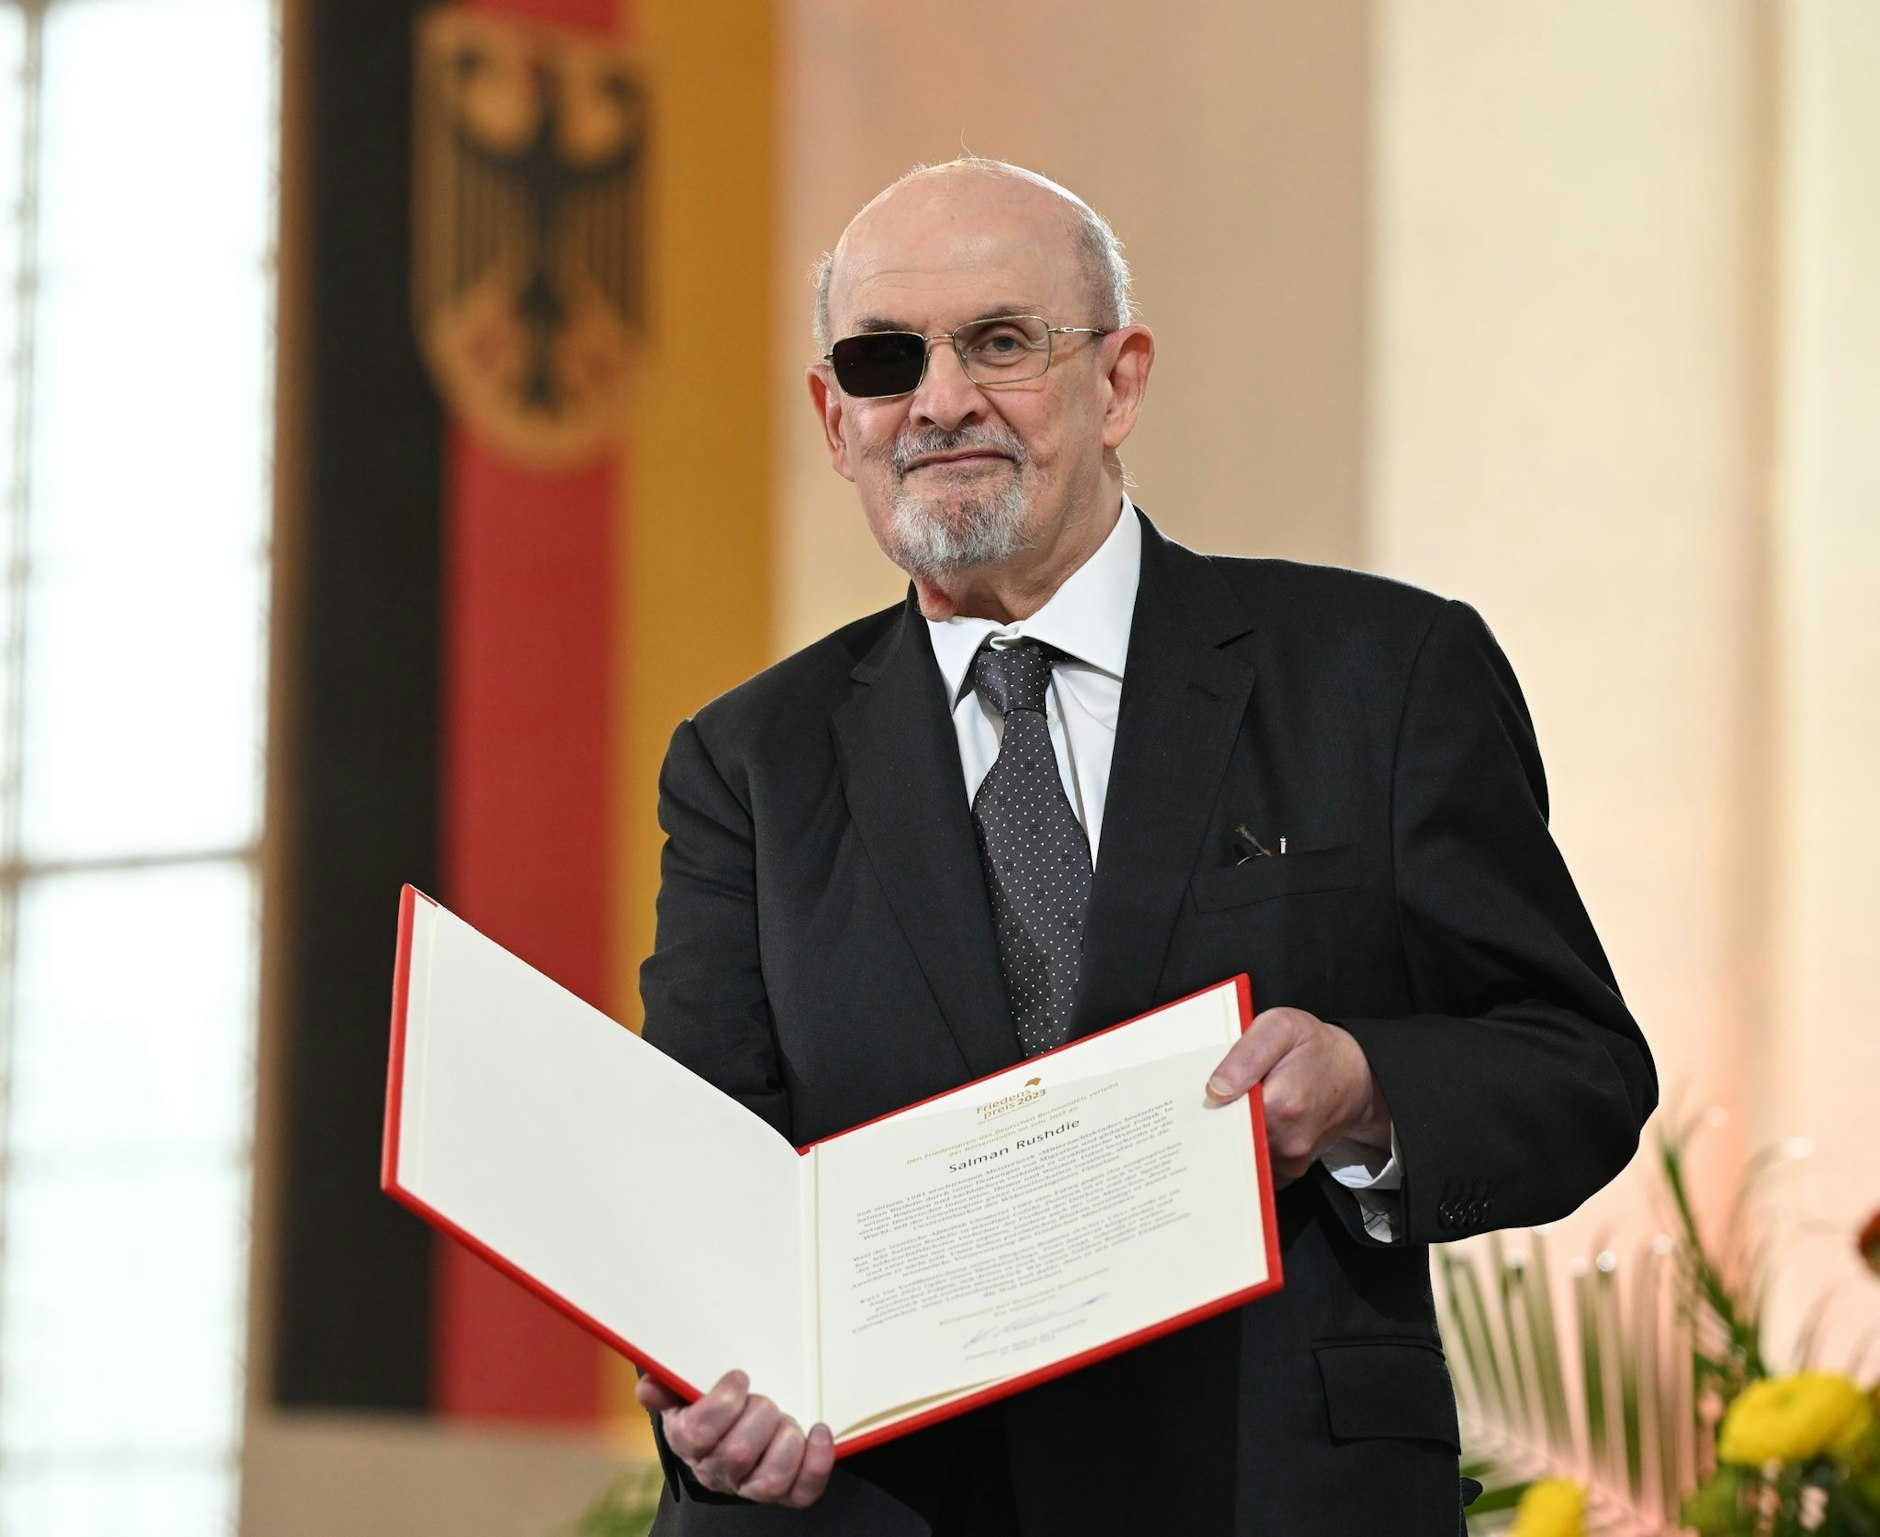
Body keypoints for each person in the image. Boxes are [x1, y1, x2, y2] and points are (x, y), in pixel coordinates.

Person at [634, 159, 1655, 1537]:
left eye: (1001, 342)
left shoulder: (1382, 673)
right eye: (886, 363)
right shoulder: (744, 762)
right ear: (835, 417)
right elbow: (711, 1189)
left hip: (1262, 1491)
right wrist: (704, 1392)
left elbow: (1577, 1061)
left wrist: (1363, 1088)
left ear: (1118, 382)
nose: (939, 402)